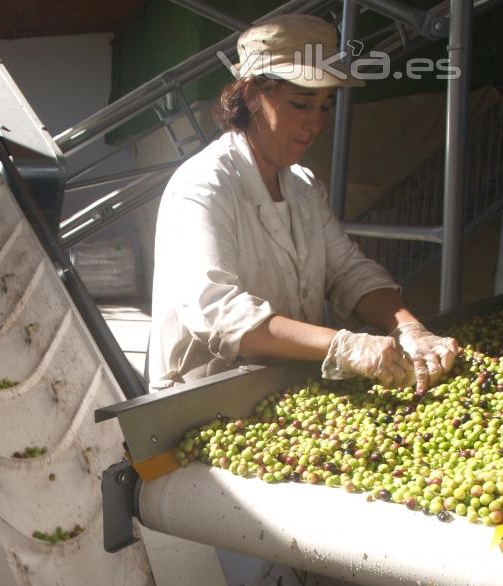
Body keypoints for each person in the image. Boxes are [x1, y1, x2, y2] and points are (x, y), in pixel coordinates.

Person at [149, 14, 458, 394]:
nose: (316, 124)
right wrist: (343, 345)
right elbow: (219, 314)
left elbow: (348, 271)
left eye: (324, 107)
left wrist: (407, 327)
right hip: (201, 396)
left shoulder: (303, 187)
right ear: (250, 95)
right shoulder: (204, 187)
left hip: (285, 389)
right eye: (300, 103)